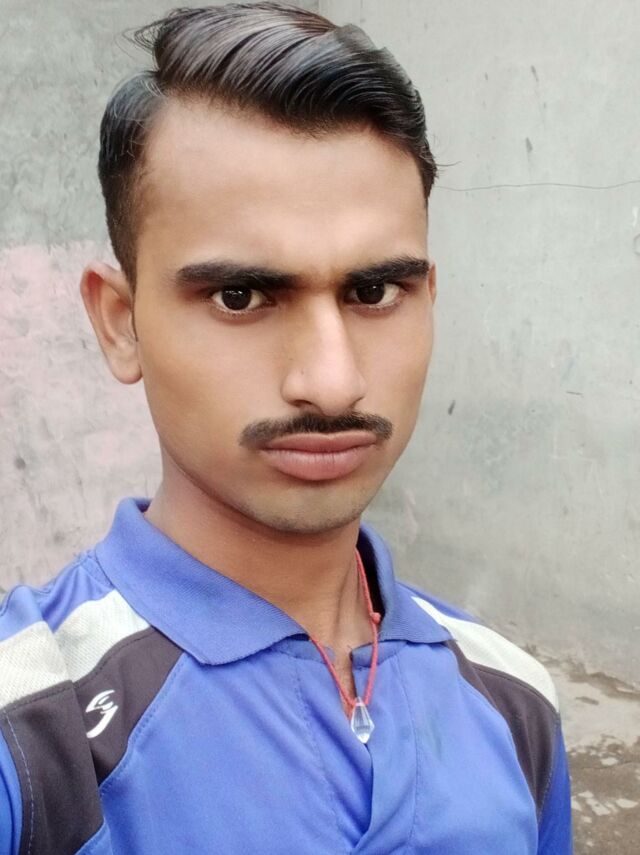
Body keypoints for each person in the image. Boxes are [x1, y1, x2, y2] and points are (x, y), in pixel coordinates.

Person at [0, 3, 572, 853]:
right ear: (120, 323)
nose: (333, 381)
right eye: (241, 296)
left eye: (374, 291)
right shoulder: (34, 736)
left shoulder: (513, 700)